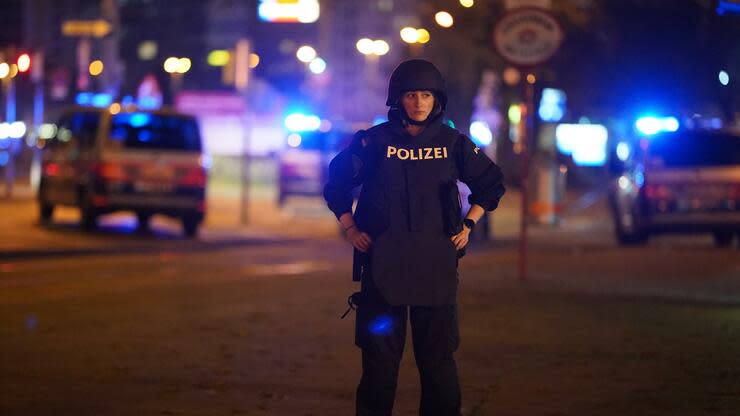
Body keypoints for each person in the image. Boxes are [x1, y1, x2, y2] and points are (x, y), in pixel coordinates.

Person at [323, 59, 506, 416]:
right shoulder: (373, 142)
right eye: (411, 95)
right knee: (379, 368)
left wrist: (469, 224)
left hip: (435, 271)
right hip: (382, 272)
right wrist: (350, 227)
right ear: (398, 99)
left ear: (436, 99)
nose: (419, 102)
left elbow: (491, 183)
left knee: (437, 366)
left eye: (426, 95)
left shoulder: (453, 143)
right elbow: (336, 183)